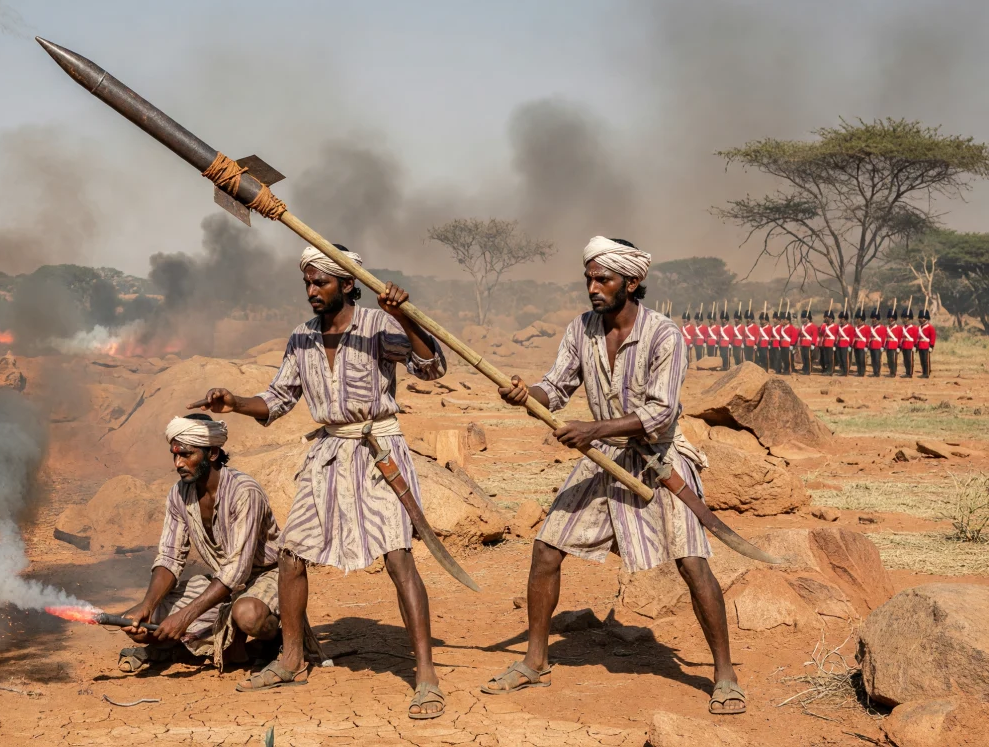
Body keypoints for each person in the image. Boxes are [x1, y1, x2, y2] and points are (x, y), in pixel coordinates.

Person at [491, 236, 744, 715]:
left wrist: (594, 428)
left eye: (602, 278)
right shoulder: (580, 329)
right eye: (588, 278)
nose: (593, 287)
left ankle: (725, 674)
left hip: (659, 460)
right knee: (546, 549)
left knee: (692, 562)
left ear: (632, 281)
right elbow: (556, 386)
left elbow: (661, 413)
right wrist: (528, 395)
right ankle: (535, 661)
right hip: (601, 456)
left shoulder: (665, 334)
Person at [195, 244, 450, 719]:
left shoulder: (377, 325)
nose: (312, 291)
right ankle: (291, 659)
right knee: (293, 554)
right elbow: (276, 399)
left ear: (349, 283)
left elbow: (431, 367)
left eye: (322, 282)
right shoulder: (301, 338)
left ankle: (426, 677)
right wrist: (234, 403)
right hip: (329, 452)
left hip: (377, 451)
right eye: (308, 283)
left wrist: (406, 318)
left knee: (398, 557)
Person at [118, 415, 287, 674]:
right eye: (174, 455)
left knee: (248, 616)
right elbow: (170, 558)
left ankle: (277, 639)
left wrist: (185, 616)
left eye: (186, 455)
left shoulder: (244, 492)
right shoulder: (179, 494)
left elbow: (237, 570)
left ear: (213, 453)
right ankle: (201, 644)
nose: (178, 463)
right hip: (223, 583)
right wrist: (147, 604)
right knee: (138, 626)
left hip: (268, 576)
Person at [918, 307, 936, 378]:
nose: (921, 319)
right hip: (920, 345)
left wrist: (931, 346)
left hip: (926, 345)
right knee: (922, 361)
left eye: (923, 318)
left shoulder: (930, 327)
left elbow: (933, 337)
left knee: (926, 360)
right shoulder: (919, 327)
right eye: (920, 318)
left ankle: (927, 373)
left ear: (926, 318)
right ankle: (923, 372)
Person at [899, 304, 916, 378]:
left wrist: (915, 346)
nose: (904, 319)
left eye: (906, 318)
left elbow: (915, 338)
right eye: (903, 318)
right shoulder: (903, 328)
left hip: (910, 345)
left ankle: (910, 373)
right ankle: (907, 372)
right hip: (904, 345)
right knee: (905, 360)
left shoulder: (914, 328)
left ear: (910, 319)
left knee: (909, 360)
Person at [869, 306, 886, 378]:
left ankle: (878, 372)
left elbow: (883, 337)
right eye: (872, 318)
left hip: (878, 345)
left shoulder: (881, 327)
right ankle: (874, 371)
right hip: (872, 345)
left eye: (874, 318)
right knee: (873, 360)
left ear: (877, 319)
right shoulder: (871, 328)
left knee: (877, 359)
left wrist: (882, 346)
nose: (873, 320)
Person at [853, 308, 870, 378]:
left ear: (861, 319)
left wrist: (866, 345)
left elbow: (868, 337)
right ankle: (859, 371)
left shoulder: (866, 327)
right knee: (857, 359)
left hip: (862, 345)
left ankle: (862, 372)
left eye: (858, 318)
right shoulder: (856, 327)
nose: (856, 320)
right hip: (856, 344)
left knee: (861, 359)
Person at [886, 306, 902, 377]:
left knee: (893, 360)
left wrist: (899, 346)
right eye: (889, 318)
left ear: (894, 318)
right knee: (889, 360)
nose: (890, 319)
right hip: (888, 345)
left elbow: (900, 338)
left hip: (894, 346)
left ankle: (893, 372)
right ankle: (890, 371)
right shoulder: (887, 328)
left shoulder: (898, 328)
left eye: (891, 318)